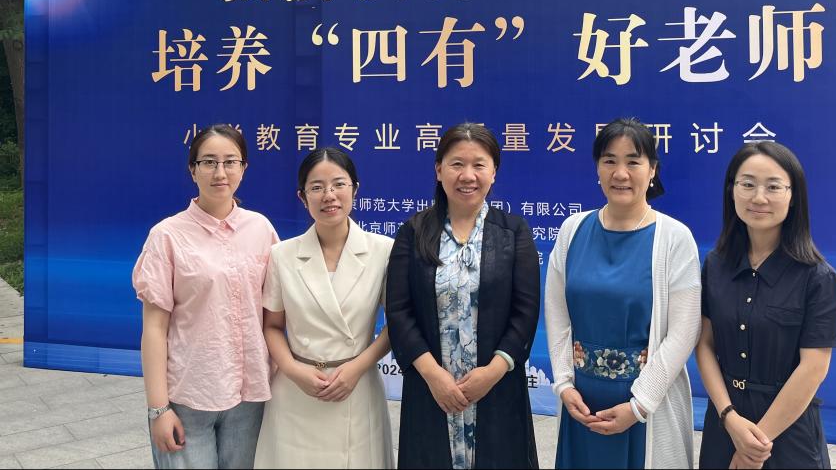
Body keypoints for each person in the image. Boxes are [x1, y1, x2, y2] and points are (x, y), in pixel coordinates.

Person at [545, 118, 702, 469]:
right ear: (597, 169)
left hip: (646, 404)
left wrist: (640, 404)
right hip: (582, 402)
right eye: (609, 161)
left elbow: (684, 331)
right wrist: (564, 385)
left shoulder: (674, 238)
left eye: (633, 161)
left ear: (652, 170)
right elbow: (556, 314)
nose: (620, 173)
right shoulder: (572, 230)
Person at [386, 122, 541, 469]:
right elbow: (399, 311)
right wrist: (433, 375)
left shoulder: (514, 232)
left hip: (496, 387)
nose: (467, 175)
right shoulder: (413, 232)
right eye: (456, 164)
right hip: (431, 389)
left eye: (478, 165)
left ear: (493, 172)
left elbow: (525, 312)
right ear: (439, 170)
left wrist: (492, 372)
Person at [133, 124, 279, 469]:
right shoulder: (167, 236)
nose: (220, 172)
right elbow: (154, 329)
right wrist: (158, 409)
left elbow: (274, 316)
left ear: (243, 168)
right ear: (192, 169)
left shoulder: (261, 229)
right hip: (189, 398)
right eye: (209, 162)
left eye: (230, 162)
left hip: (250, 397)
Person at [696, 141, 836, 469]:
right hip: (725, 424)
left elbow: (813, 369)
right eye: (747, 184)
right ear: (732, 191)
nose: (759, 197)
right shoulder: (716, 265)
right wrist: (729, 418)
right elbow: (704, 345)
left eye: (773, 187)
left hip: (788, 433)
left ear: (794, 196)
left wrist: (755, 445)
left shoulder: (818, 277)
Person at [254, 148, 394, 468]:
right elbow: (272, 326)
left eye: (339, 184)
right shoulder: (282, 255)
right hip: (297, 391)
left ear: (355, 189)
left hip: (357, 387)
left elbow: (395, 326)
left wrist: (357, 368)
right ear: (302, 197)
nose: (329, 195)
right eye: (316, 187)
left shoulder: (383, 251)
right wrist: (294, 371)